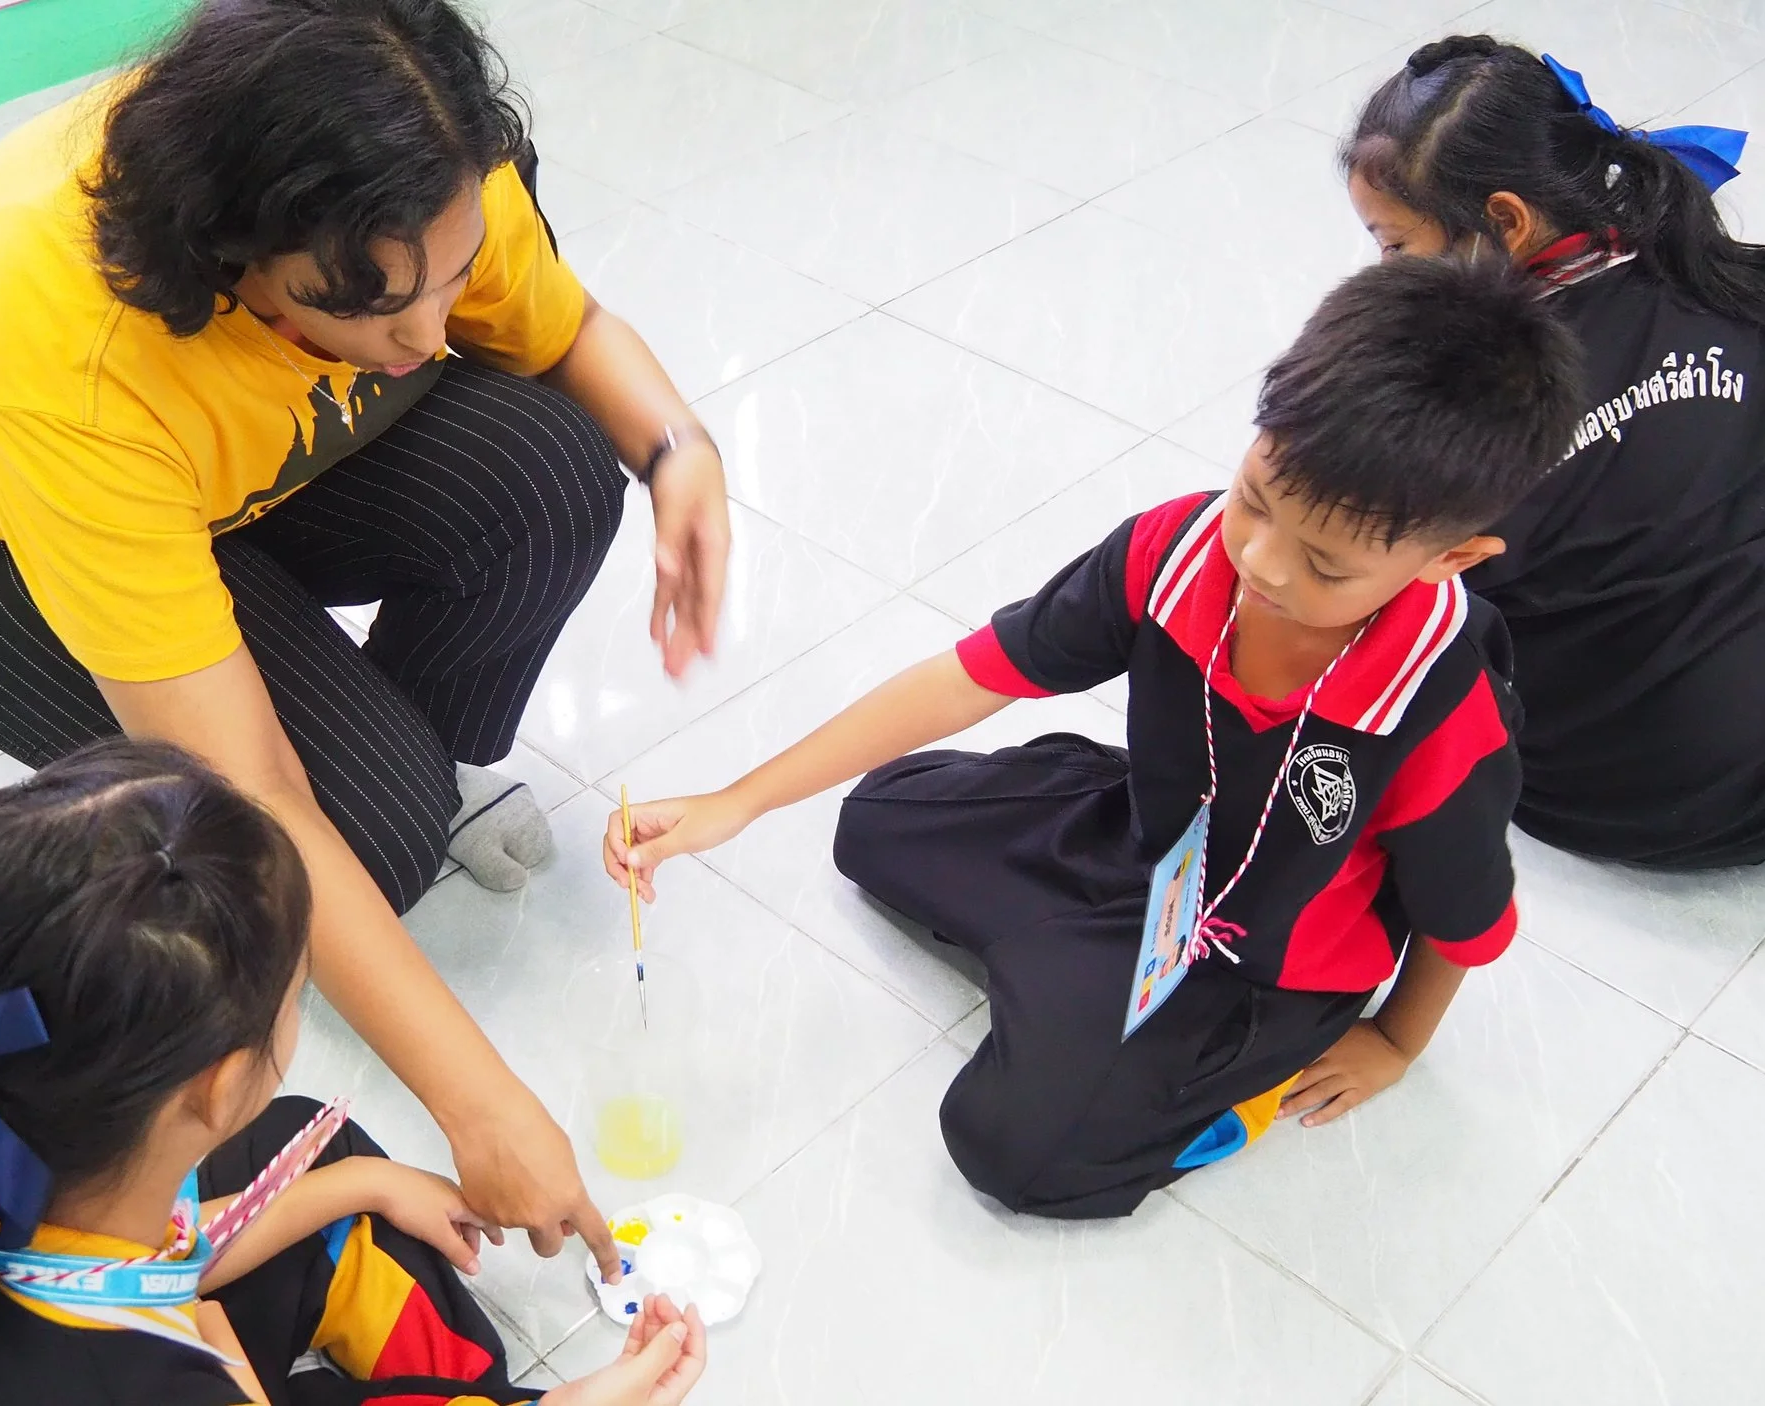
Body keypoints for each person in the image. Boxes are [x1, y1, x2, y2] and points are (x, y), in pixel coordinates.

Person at [0, 0, 735, 1272]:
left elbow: (570, 332)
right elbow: (254, 787)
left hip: (221, 485)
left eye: (453, 280)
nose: (431, 337)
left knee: (553, 468)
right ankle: (369, 778)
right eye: (376, 310)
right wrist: (479, 1102)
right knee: (342, 834)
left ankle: (389, 747)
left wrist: (678, 449)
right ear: (231, 256)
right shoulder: (56, 319)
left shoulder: (414, 156)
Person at [600, 257, 1582, 1218]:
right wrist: (739, 799)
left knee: (1015, 1151)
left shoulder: (1439, 701)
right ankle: (1070, 974)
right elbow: (967, 676)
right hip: (1147, 832)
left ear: (1448, 558)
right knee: (876, 816)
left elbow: (1461, 913)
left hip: (1264, 962)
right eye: (1254, 495)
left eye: (1325, 565)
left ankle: (1135, 1033)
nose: (1261, 562)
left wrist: (1398, 1041)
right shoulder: (1173, 550)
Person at [0, 738, 706, 1406]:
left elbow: (159, 1262)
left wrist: (365, 1181)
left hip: (109, 1331)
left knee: (320, 1153)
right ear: (220, 1083)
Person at [1343, 37, 1765, 867]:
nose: (1383, 272)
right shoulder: (1730, 297)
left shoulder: (1437, 388)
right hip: (1745, 778)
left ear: (1507, 222)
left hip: (1541, 781)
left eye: (1395, 246)